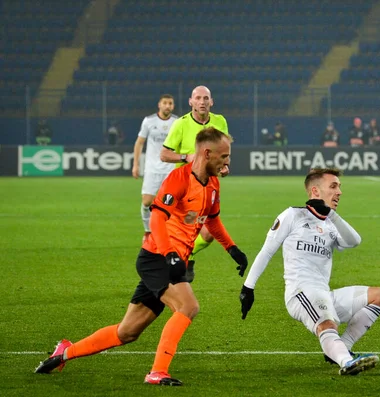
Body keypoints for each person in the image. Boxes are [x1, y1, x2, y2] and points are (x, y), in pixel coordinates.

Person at [35, 128, 249, 386]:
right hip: (157, 256)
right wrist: (170, 254)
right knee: (188, 307)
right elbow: (157, 216)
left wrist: (232, 248)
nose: (227, 162)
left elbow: (212, 220)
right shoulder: (179, 179)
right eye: (224, 156)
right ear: (207, 153)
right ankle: (157, 372)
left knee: (127, 332)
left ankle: (64, 352)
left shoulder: (213, 184)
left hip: (173, 259)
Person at [239, 168, 380, 376]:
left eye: (340, 187)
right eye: (333, 186)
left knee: (378, 296)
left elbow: (355, 241)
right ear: (316, 191)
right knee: (326, 324)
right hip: (300, 292)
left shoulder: (330, 223)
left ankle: (340, 348)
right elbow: (267, 251)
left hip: (324, 293)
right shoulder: (292, 215)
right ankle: (346, 362)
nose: (339, 192)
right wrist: (248, 287)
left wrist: (332, 215)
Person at [159, 85, 229, 275]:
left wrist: (224, 165)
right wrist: (185, 157)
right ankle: (173, 263)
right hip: (185, 186)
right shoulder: (181, 124)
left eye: (206, 98)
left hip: (208, 187)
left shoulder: (220, 121)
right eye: (198, 98)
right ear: (191, 102)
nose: (202, 102)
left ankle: (186, 255)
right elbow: (164, 154)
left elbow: (224, 152)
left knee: (207, 234)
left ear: (211, 102)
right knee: (186, 229)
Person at [132, 94, 178, 241]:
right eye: (165, 103)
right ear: (159, 104)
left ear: (173, 106)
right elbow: (139, 142)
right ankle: (148, 231)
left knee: (171, 203)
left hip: (170, 168)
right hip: (152, 168)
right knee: (146, 202)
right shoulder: (149, 121)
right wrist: (136, 164)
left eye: (170, 103)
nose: (167, 106)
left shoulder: (177, 122)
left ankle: (169, 232)